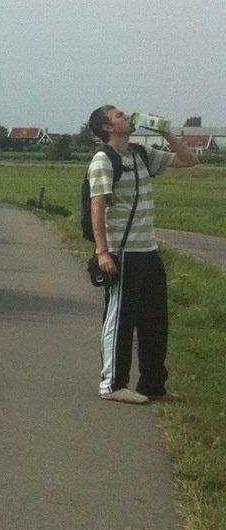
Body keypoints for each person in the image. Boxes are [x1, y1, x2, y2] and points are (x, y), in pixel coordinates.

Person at [86, 105, 199, 404]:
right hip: (122, 252)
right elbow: (97, 206)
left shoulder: (140, 154)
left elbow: (189, 160)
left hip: (148, 249)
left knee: (154, 320)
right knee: (120, 319)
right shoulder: (103, 160)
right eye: (119, 116)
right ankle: (112, 385)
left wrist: (165, 131)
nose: (127, 117)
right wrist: (102, 252)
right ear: (107, 128)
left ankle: (152, 385)